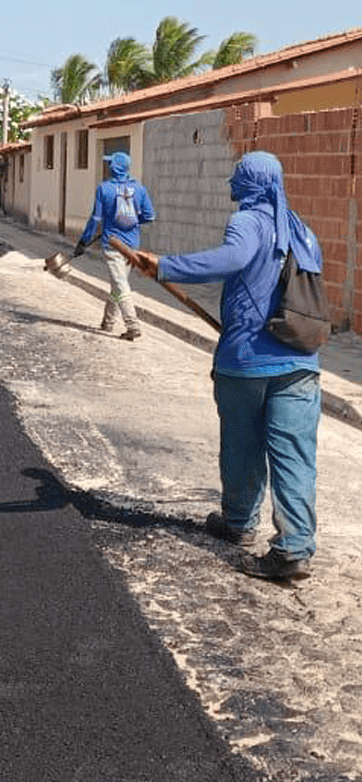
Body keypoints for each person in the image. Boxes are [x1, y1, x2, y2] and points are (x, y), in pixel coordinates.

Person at [131, 151, 322, 582]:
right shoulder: (302, 230)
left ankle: (239, 523)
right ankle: (294, 548)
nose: (231, 183)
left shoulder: (247, 222)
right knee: (294, 455)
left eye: (237, 176)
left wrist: (166, 265)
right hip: (301, 360)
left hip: (248, 360)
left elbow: (231, 259)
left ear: (251, 183)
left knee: (242, 447)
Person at [74, 150, 155, 340]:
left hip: (112, 245)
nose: (107, 166)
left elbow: (95, 219)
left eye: (110, 163)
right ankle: (108, 322)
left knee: (120, 285)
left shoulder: (104, 189)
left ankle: (132, 326)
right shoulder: (140, 189)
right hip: (132, 245)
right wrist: (132, 221)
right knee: (117, 284)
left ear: (114, 167)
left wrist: (83, 241)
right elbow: (149, 216)